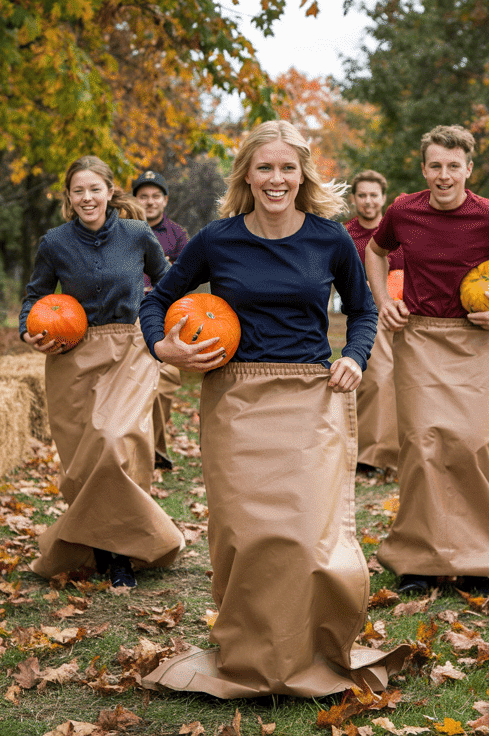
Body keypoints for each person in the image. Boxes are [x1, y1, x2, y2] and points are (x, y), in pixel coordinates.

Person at [138, 120, 406, 698]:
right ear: (247, 176)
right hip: (235, 399)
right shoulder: (216, 239)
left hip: (311, 397)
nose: (276, 179)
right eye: (265, 168)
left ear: (302, 174)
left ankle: (309, 649)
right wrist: (164, 346)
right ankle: (250, 652)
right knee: (243, 534)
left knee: (310, 533)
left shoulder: (330, 239)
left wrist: (356, 358)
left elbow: (362, 311)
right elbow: (158, 299)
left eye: (287, 168)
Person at [363, 125, 489, 597]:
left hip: (479, 342)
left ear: (469, 169)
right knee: (424, 447)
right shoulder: (404, 210)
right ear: (423, 168)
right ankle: (420, 562)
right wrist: (381, 299)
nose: (444, 175)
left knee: (479, 444)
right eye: (435, 166)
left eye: (453, 166)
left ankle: (479, 560)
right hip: (421, 339)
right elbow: (375, 250)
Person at [20, 155, 185, 590]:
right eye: (79, 191)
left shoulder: (136, 234)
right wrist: (28, 331)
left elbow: (167, 282)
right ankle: (104, 550)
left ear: (110, 191)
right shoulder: (54, 242)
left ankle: (123, 558)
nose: (87, 197)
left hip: (129, 349)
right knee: (84, 462)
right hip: (71, 354)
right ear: (69, 197)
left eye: (95, 189)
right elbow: (35, 296)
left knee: (114, 443)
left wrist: (164, 325)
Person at [344, 170, 402, 476]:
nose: (368, 201)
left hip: (405, 311)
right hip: (366, 313)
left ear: (383, 197)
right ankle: (369, 455)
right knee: (376, 381)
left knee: (401, 381)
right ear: (354, 199)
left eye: (373, 195)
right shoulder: (346, 235)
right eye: (362, 195)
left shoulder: (397, 230)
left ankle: (396, 453)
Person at [132, 170, 190, 472]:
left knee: (164, 385)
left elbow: (184, 276)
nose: (150, 201)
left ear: (165, 200)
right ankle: (144, 449)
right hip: (130, 314)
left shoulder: (177, 235)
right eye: (144, 196)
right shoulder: (123, 230)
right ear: (135, 200)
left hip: (166, 315)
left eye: (156, 196)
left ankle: (153, 446)